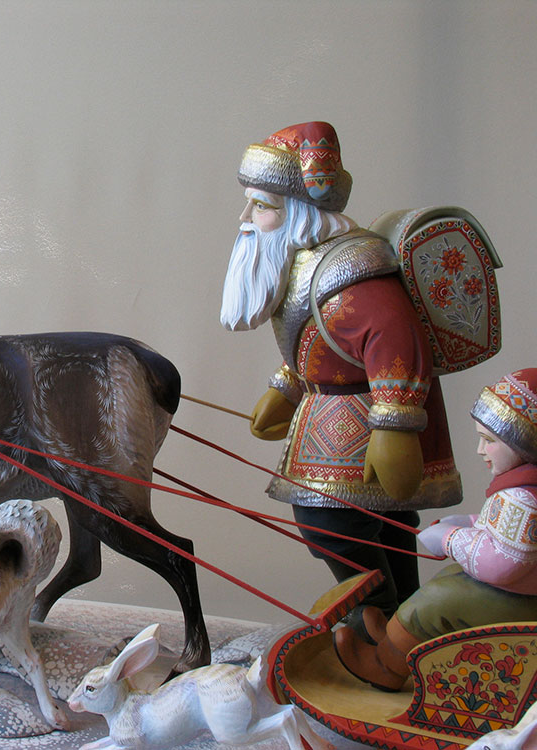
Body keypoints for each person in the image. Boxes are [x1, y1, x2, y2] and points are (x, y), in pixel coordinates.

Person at [221, 122, 462, 634]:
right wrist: (287, 386)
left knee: (330, 522)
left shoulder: (350, 267)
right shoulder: (306, 260)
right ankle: (399, 619)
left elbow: (394, 338)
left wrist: (395, 426)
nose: (246, 219)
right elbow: (319, 338)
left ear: (299, 212)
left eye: (261, 206)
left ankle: (376, 615)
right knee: (380, 524)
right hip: (328, 412)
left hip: (360, 420)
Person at [334, 369, 537, 691]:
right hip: (524, 589)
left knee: (438, 599)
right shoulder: (523, 492)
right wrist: (469, 523)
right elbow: (509, 533)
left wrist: (449, 538)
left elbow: (502, 563)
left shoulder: (523, 499)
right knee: (450, 578)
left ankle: (386, 666)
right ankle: (395, 641)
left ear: (525, 444)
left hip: (524, 599)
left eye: (489, 441)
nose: (480, 450)